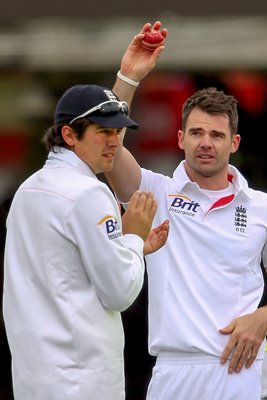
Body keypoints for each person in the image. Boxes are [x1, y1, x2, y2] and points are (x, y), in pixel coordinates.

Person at [106, 21, 267, 399]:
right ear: (180, 138)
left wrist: (263, 317)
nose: (205, 143)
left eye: (216, 135)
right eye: (196, 133)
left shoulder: (261, 206)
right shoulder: (156, 191)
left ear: (235, 142)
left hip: (244, 371)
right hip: (175, 371)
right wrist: (128, 76)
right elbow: (108, 149)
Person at [2, 83, 169, 400]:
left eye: (119, 132)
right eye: (103, 131)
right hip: (81, 381)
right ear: (69, 135)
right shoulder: (88, 192)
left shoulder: (28, 189)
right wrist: (133, 236)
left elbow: (63, 270)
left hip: (33, 379)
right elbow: (120, 292)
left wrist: (132, 247)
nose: (115, 142)